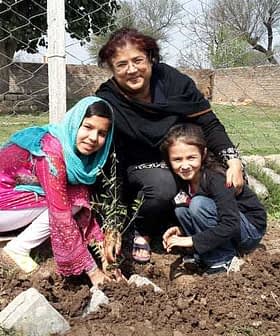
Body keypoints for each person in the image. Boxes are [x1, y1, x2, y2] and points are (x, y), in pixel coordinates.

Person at [96, 27, 245, 263]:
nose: (132, 70)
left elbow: (208, 123)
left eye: (138, 60)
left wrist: (234, 160)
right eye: (121, 65)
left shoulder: (174, 82)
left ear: (151, 59)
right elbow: (107, 158)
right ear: (112, 69)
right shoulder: (108, 100)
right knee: (163, 186)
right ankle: (141, 229)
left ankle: (201, 228)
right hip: (138, 166)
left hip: (179, 158)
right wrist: (111, 222)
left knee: (220, 177)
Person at [0, 96, 122, 287]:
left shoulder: (73, 154)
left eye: (102, 133)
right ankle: (17, 249)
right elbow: (60, 213)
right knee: (73, 200)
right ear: (74, 123)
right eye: (88, 127)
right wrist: (93, 272)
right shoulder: (50, 151)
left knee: (76, 192)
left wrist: (103, 251)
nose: (93, 138)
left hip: (10, 203)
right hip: (3, 207)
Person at [161, 124, 266, 274]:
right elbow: (202, 216)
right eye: (177, 159)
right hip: (226, 228)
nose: (184, 165)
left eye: (191, 157)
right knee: (181, 210)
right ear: (169, 160)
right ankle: (202, 254)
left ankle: (222, 260)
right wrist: (181, 230)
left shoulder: (216, 178)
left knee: (198, 204)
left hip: (248, 231)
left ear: (203, 154)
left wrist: (190, 240)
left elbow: (230, 223)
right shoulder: (181, 180)